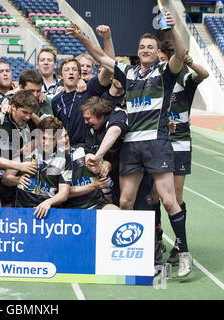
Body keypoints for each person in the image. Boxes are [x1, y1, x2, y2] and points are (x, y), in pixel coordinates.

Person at [67, 12, 193, 278]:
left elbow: (181, 53)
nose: (145, 50)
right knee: (125, 200)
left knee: (169, 200)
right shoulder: (129, 72)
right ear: (137, 52)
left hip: (157, 142)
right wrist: (83, 38)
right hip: (132, 146)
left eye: (150, 47)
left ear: (157, 51)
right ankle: (128, 254)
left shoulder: (164, 72)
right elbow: (101, 57)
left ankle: (183, 252)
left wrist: (171, 29)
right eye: (141, 47)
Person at [153, 40, 209, 265]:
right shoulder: (154, 78)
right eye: (160, 55)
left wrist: (191, 62)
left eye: (164, 56)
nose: (161, 59)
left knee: (175, 197)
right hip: (157, 141)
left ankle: (179, 243)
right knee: (153, 195)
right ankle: (156, 238)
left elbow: (204, 74)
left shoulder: (184, 80)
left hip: (180, 142)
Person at [0, 90, 38, 207]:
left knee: (7, 219)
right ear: (13, 107)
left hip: (9, 179)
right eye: (25, 112)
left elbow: (49, 127)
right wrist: (19, 166)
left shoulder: (24, 125)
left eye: (31, 113)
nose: (27, 117)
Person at [2, 117, 72, 218]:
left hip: (48, 213)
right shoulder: (27, 151)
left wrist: (49, 202)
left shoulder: (64, 158)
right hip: (21, 211)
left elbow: (64, 193)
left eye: (52, 139)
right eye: (44, 138)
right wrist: (17, 180)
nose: (47, 143)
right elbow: (5, 179)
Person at [51, 56, 110, 147]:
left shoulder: (89, 89)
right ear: (61, 76)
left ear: (79, 74)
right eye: (67, 70)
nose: (71, 72)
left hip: (86, 147)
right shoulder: (55, 100)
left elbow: (107, 70)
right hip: (64, 148)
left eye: (74, 70)